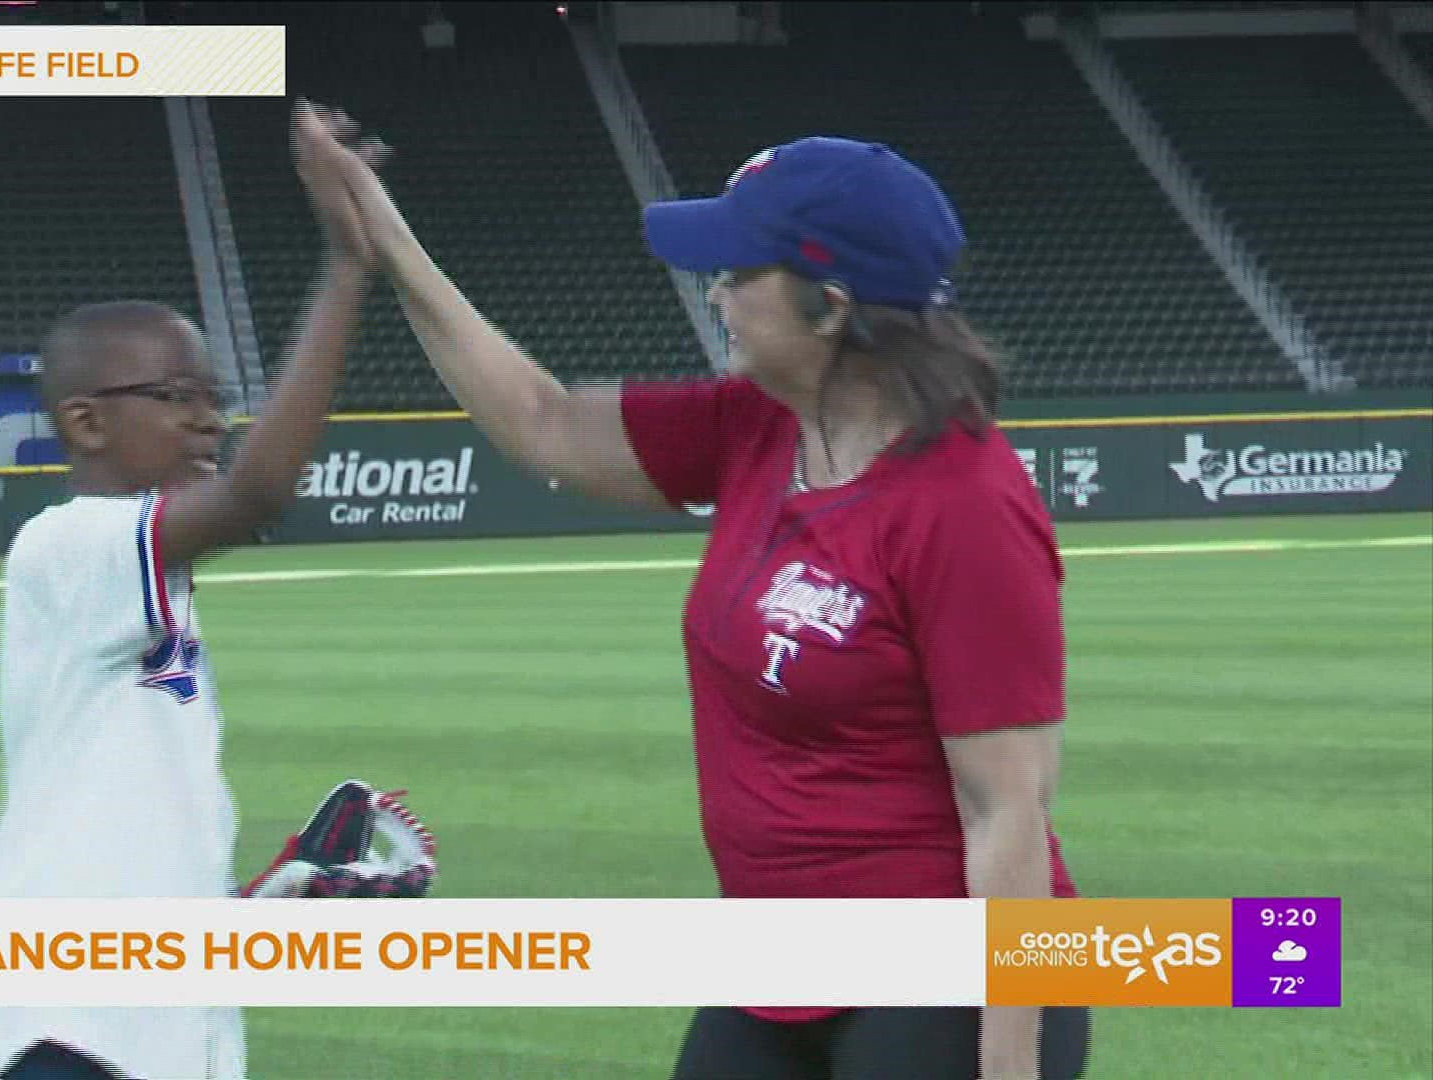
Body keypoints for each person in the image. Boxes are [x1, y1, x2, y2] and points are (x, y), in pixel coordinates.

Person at [292, 114, 1091, 1079]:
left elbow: (1005, 812)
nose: (714, 291)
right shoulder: (757, 427)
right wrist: (378, 235)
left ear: (829, 307)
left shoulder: (963, 503)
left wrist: (1008, 1067)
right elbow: (544, 424)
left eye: (737, 271)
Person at [0, 103, 387, 1080]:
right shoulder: (69, 545)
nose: (210, 419)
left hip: (144, 1017)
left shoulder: (145, 578)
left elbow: (123, 814)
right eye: (176, 396)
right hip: (73, 1025)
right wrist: (346, 268)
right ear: (85, 422)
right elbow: (259, 493)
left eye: (214, 395)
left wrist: (247, 907)